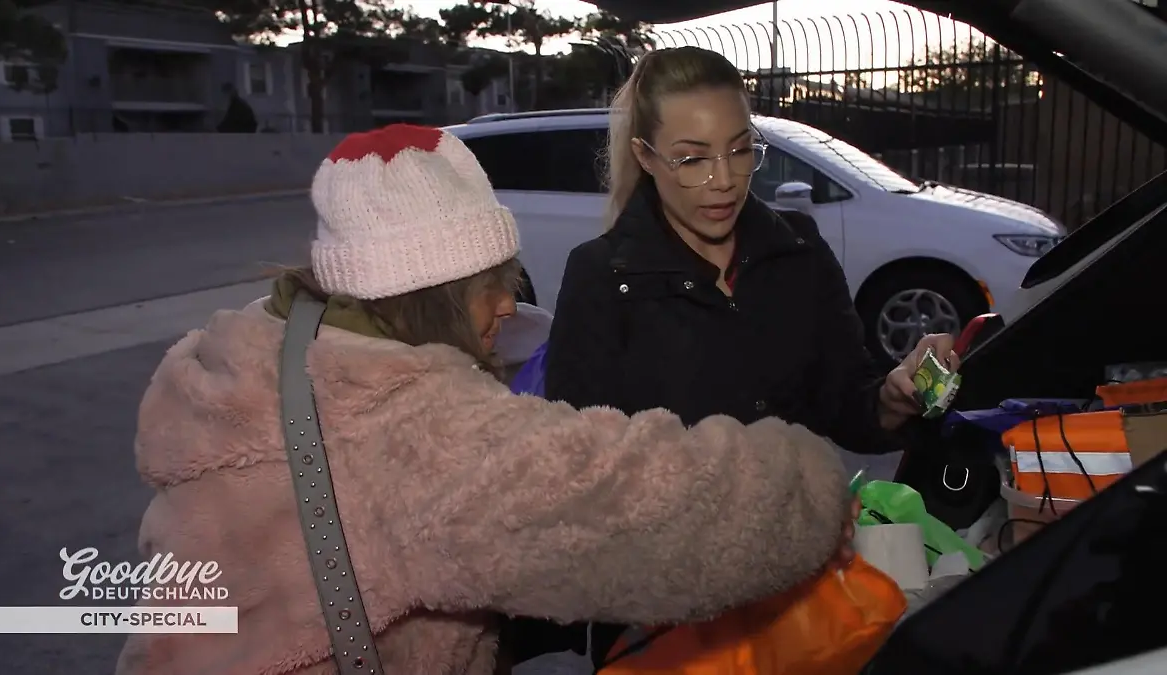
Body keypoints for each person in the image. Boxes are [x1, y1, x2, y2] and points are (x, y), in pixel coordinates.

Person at [115, 123, 860, 675]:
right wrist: (808, 480)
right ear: (430, 294)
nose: (509, 302)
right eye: (490, 284)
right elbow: (635, 505)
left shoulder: (261, 345)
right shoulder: (407, 424)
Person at [517, 46, 960, 667]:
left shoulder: (799, 254)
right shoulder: (602, 276)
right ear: (646, 158)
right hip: (672, 617)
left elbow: (847, 404)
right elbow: (585, 467)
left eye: (740, 148)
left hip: (801, 600)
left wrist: (892, 394)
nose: (723, 179)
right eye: (692, 159)